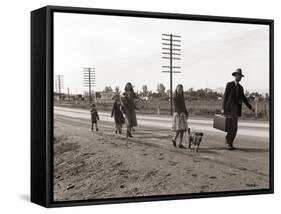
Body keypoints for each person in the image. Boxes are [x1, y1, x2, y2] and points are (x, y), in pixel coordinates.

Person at [221, 68, 255, 150]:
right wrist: (222, 108)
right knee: (230, 127)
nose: (240, 78)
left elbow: (244, 98)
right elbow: (225, 97)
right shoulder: (229, 85)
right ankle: (227, 142)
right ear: (235, 76)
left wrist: (250, 107)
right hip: (229, 109)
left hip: (236, 109)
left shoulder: (240, 88)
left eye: (241, 76)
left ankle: (230, 143)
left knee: (235, 127)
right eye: (238, 76)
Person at [171, 84, 188, 149]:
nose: (180, 90)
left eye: (181, 89)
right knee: (179, 129)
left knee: (182, 130)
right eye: (179, 89)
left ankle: (180, 143)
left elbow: (184, 105)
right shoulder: (175, 97)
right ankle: (174, 139)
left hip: (182, 114)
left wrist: (186, 113)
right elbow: (176, 106)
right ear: (176, 89)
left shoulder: (182, 96)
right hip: (178, 114)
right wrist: (179, 112)